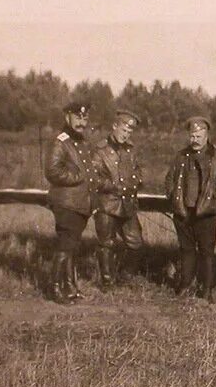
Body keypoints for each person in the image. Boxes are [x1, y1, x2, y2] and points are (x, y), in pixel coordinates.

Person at [165, 116, 216, 300]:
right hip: (183, 211)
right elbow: (170, 178)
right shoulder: (181, 155)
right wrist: (172, 196)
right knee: (186, 250)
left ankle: (206, 291)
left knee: (206, 253)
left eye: (198, 136)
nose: (194, 140)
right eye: (192, 136)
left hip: (207, 212)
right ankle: (185, 286)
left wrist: (215, 192)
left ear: (206, 135)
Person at [44, 101, 95, 304]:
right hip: (66, 202)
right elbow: (52, 170)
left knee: (72, 246)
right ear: (68, 117)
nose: (81, 122)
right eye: (77, 117)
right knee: (65, 246)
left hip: (80, 203)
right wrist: (77, 177)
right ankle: (56, 288)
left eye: (84, 118)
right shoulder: (60, 141)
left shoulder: (80, 141)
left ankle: (70, 287)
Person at [92, 109, 144, 289]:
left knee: (136, 242)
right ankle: (107, 281)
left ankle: (125, 275)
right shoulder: (100, 150)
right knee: (106, 243)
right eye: (124, 130)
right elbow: (93, 177)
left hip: (128, 204)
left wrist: (136, 181)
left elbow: (138, 171)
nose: (126, 134)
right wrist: (113, 186)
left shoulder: (131, 150)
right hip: (107, 203)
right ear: (115, 126)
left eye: (130, 131)